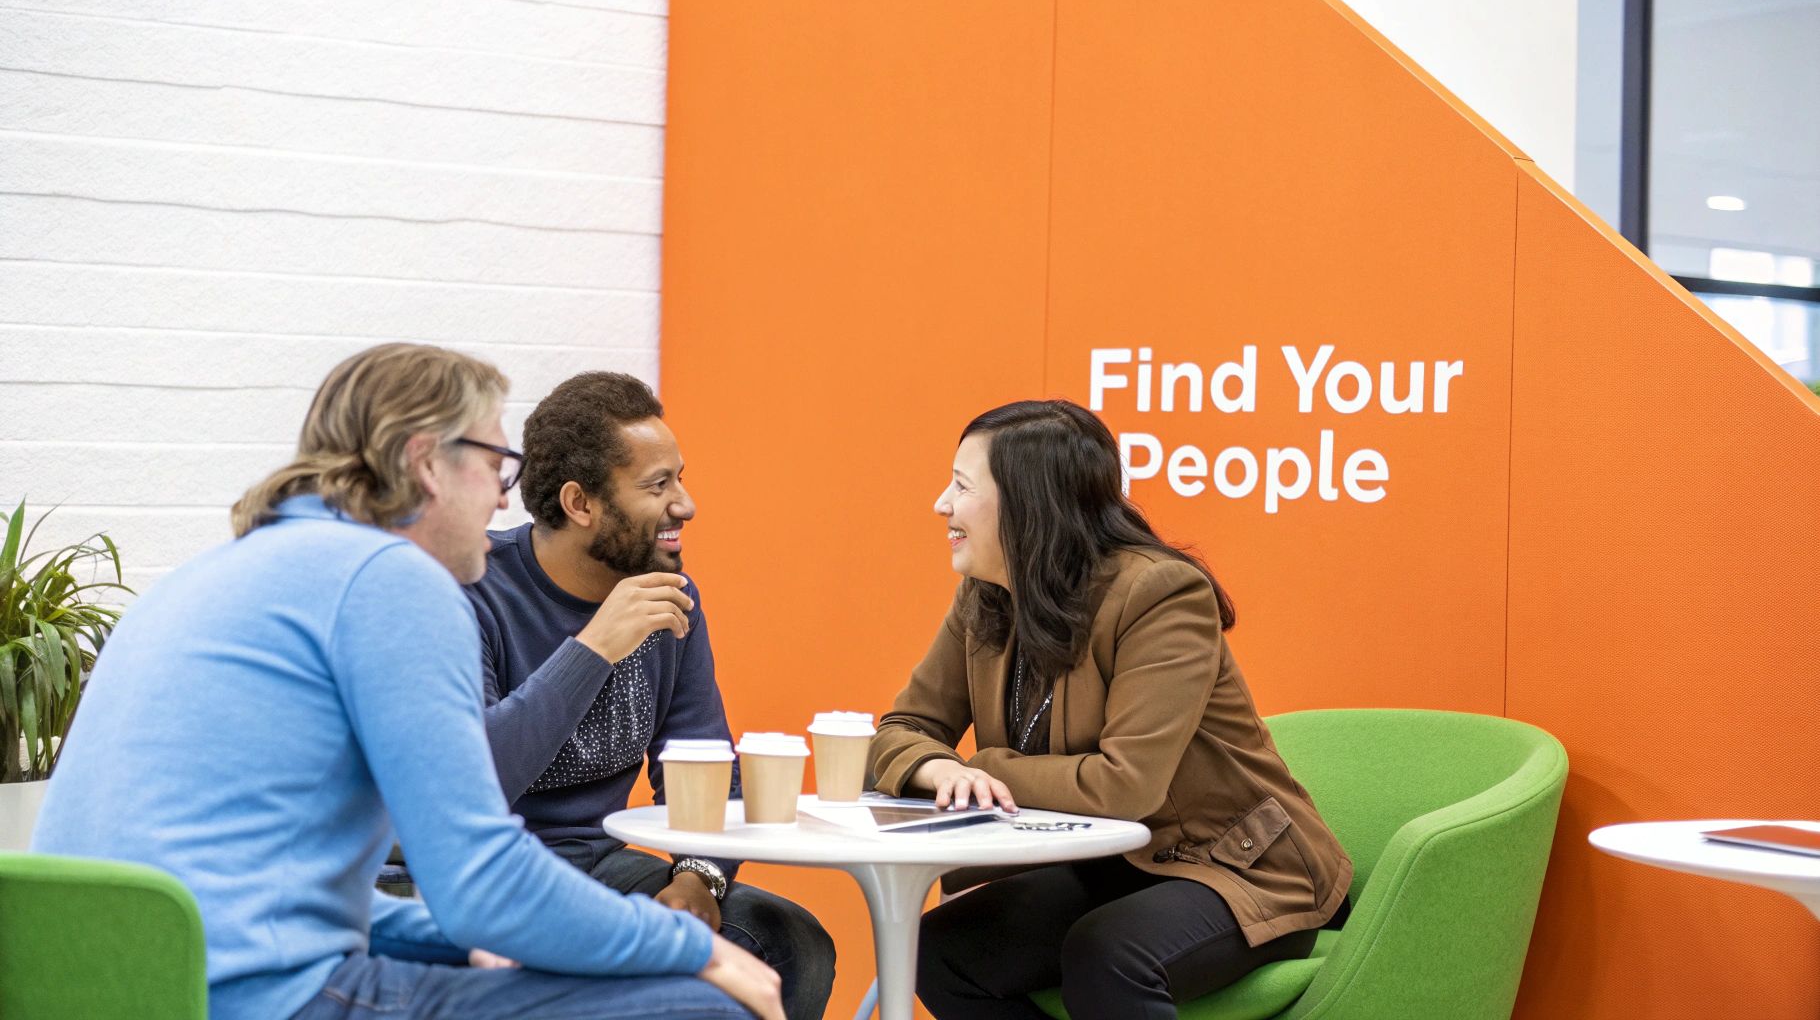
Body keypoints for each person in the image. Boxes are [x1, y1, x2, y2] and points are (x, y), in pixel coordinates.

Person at [32, 344, 783, 1020]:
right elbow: (481, 882)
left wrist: (450, 944)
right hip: (258, 998)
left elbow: (295, 900)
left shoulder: (211, 575)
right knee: (694, 1003)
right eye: (495, 466)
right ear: (428, 462)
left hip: (110, 984)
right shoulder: (392, 579)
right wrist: (694, 949)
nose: (500, 498)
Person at [867, 399, 1353, 1020]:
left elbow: (1126, 785)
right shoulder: (986, 595)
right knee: (937, 951)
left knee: (1108, 954)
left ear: (1026, 503)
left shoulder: (1160, 593)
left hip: (1240, 869)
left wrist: (987, 764)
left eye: (961, 487)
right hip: (1116, 864)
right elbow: (904, 728)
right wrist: (940, 771)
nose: (942, 504)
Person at [463, 371, 835, 1020]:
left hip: (599, 863)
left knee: (786, 940)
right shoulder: (478, 591)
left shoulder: (671, 595)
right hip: (489, 870)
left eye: (680, 478)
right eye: (658, 485)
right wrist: (593, 648)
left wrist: (699, 877)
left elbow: (706, 770)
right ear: (581, 504)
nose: (685, 504)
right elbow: (472, 782)